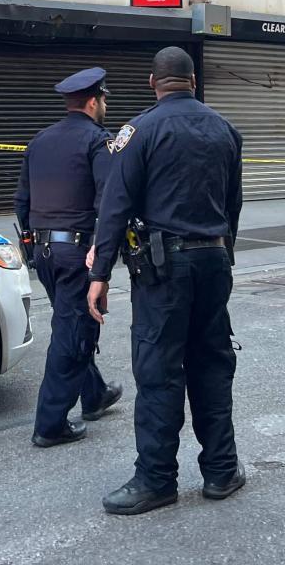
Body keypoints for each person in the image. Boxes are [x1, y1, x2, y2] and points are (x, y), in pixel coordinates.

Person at [87, 46, 245, 515]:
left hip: (164, 270)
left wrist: (100, 275)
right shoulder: (226, 130)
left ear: (153, 84)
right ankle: (222, 470)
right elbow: (232, 207)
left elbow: (115, 206)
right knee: (212, 364)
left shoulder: (138, 131)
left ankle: (156, 480)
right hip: (215, 262)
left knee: (158, 371)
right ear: (193, 81)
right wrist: (222, 254)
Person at [15, 67, 124, 449]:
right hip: (79, 250)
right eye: (105, 99)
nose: (105, 105)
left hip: (44, 251)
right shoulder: (98, 142)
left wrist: (31, 246)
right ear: (94, 101)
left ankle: (93, 395)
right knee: (73, 331)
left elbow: (22, 202)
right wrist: (103, 254)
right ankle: (50, 423)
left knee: (71, 320)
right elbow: (108, 201)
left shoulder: (39, 141)